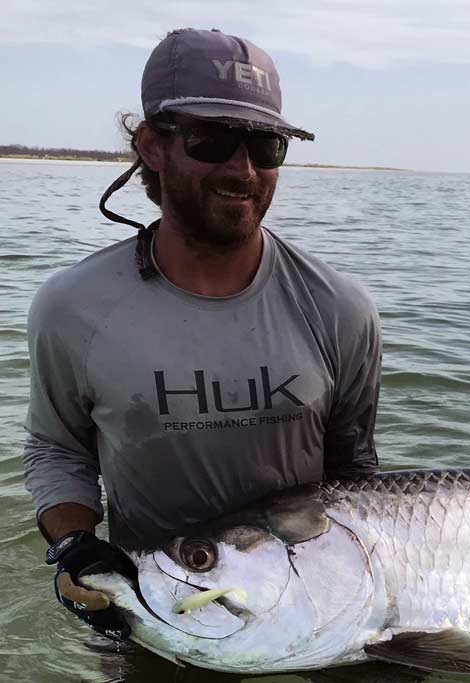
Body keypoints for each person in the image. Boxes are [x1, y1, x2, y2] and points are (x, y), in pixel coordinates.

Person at [23, 28, 382, 642]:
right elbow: (58, 451)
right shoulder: (73, 307)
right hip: (168, 608)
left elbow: (355, 474)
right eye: (212, 141)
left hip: (327, 610)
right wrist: (77, 549)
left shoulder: (339, 307)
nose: (242, 170)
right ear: (151, 147)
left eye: (266, 145)